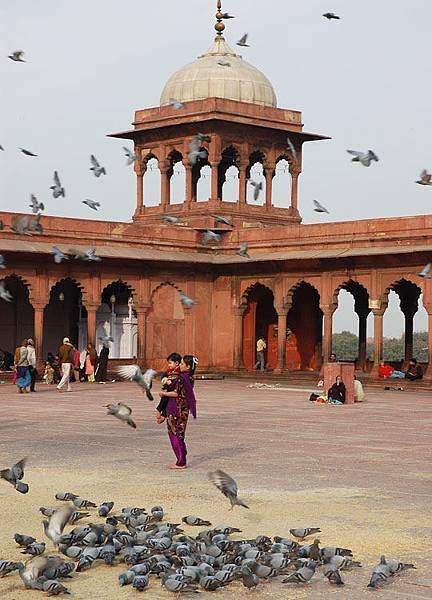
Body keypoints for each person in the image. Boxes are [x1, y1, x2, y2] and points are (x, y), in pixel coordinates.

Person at [158, 354, 197, 470]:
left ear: (188, 366)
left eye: (182, 364)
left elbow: (177, 393)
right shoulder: (189, 378)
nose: (180, 365)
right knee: (178, 434)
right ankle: (181, 458)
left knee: (175, 434)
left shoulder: (182, 378)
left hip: (177, 409)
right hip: (182, 409)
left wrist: (163, 393)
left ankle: (181, 461)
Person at [156, 352, 181, 423]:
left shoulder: (179, 371)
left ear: (176, 363)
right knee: (165, 400)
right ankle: (161, 413)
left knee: (167, 401)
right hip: (168, 388)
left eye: (170, 363)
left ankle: (161, 412)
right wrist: (164, 379)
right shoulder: (169, 371)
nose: (169, 365)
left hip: (173, 388)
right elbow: (164, 375)